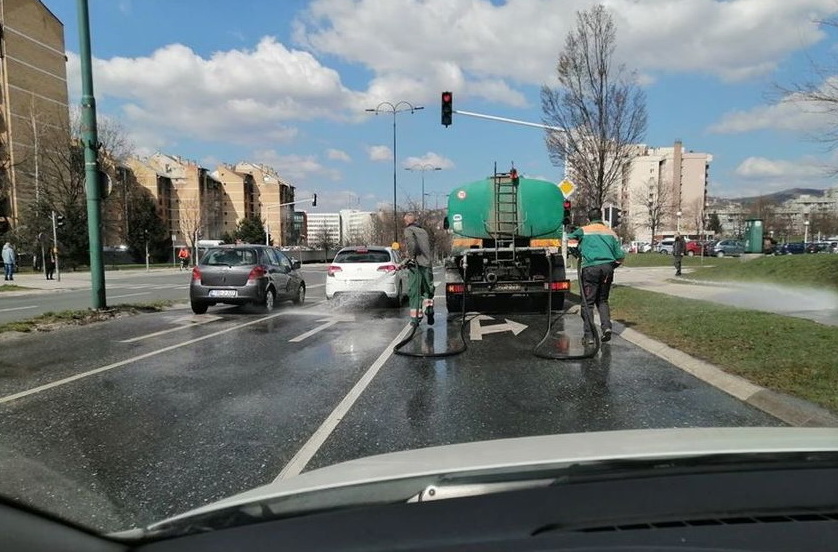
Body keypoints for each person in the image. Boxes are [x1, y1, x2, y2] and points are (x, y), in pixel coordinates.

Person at [568, 208, 625, 344]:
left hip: (590, 268)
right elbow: (620, 256)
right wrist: (611, 266)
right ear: (601, 218)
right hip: (607, 269)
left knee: (588, 303)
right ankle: (606, 328)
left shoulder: (584, 230)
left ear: (589, 219)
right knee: (603, 300)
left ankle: (589, 336)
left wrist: (577, 252)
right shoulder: (611, 233)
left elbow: (570, 240)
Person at [403, 212, 435, 326]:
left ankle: (415, 319)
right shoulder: (423, 231)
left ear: (407, 221)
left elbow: (411, 244)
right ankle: (429, 309)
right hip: (427, 264)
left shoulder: (409, 230)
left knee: (415, 291)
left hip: (416, 265)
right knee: (427, 288)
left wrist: (410, 257)